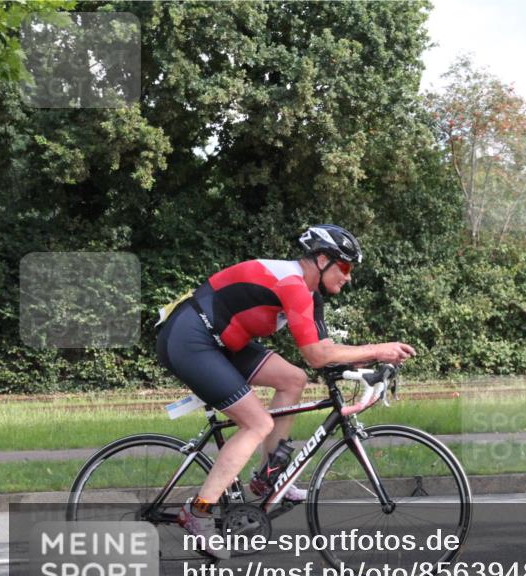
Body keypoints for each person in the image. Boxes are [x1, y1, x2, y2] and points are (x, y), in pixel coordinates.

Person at [155, 225, 415, 558]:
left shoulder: (311, 295)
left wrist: (362, 372)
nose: (348, 277)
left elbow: (325, 353)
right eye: (345, 267)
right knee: (257, 423)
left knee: (293, 379)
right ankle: (198, 512)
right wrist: (377, 349)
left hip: (225, 341)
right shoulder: (292, 284)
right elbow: (317, 355)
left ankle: (268, 477)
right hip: (191, 338)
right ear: (322, 260)